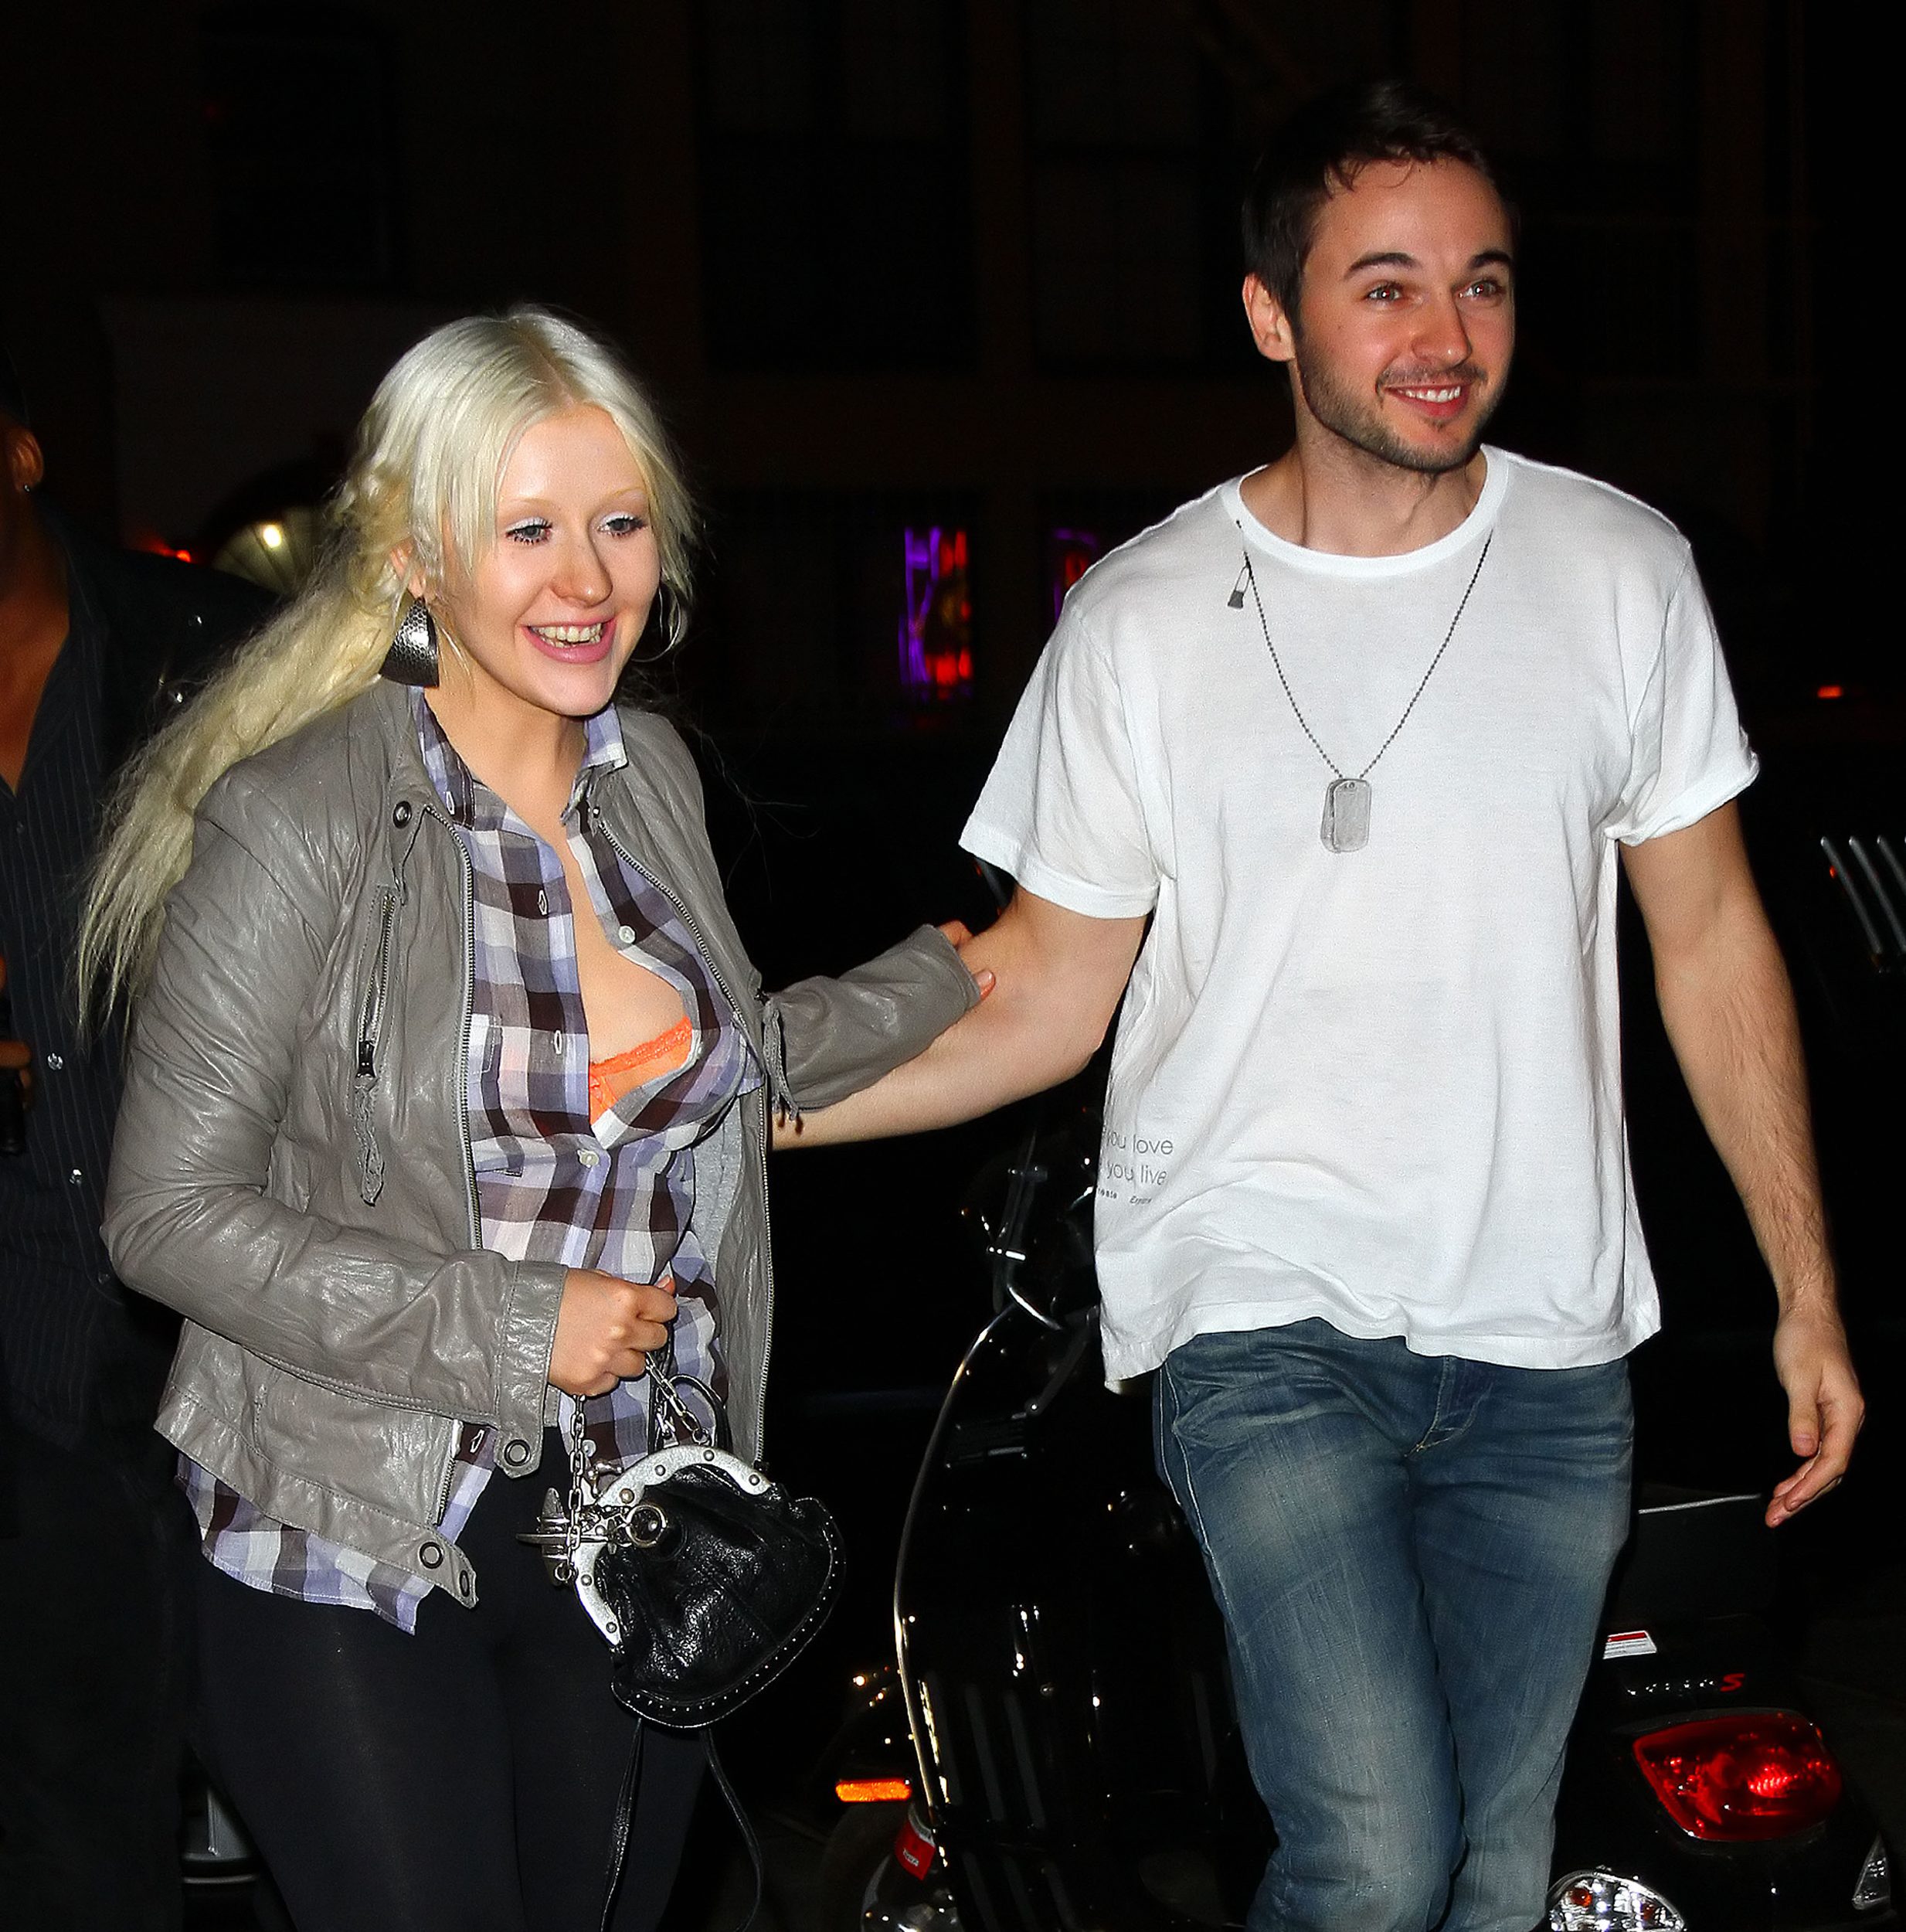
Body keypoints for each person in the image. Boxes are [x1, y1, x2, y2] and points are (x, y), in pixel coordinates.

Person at [793, 82, 1864, 1932]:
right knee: (1372, 1855)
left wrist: (1806, 1287)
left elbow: (1709, 940)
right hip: (1260, 1312)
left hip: (1545, 1332)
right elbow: (1042, 989)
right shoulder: (1140, 620)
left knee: (1492, 1873)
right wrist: (742, 1102)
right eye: (1386, 287)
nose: (1447, 334)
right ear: (1269, 313)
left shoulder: (1620, 573)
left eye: (1482, 283)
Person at [87, 308, 980, 1932]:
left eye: (619, 523)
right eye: (528, 530)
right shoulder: (299, 816)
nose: (587, 578)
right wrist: (514, 1323)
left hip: (634, 1527)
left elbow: (692, 1064)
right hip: (350, 1529)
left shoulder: (654, 784)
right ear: (417, 556)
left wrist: (943, 981)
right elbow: (162, 1213)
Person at [0, 341, 271, 1930]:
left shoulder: (208, 660)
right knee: (75, 1856)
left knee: (337, 1834)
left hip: (236, 1351)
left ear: (21, 454)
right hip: (28, 1379)